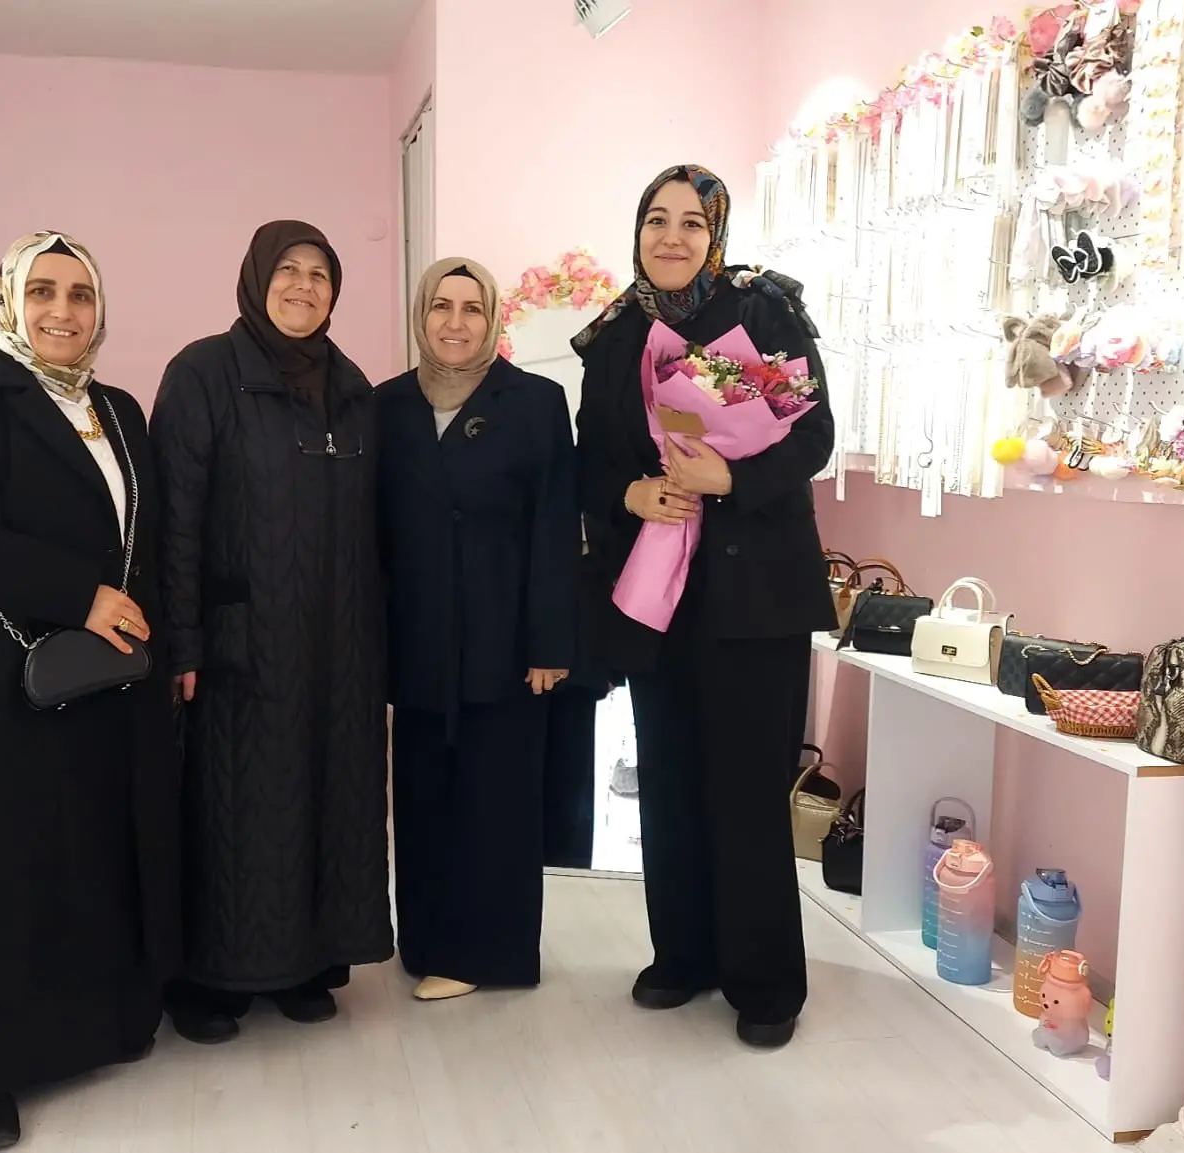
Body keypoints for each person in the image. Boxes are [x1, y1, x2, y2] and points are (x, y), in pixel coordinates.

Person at [0, 231, 178, 1151]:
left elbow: (147, 537)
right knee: (12, 866)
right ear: (11, 301)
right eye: (43, 292)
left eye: (81, 294)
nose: (63, 311)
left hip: (114, 680)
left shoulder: (118, 407)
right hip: (12, 680)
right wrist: (78, 595)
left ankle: (99, 1028)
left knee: (98, 851)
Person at [572, 165, 836, 1049]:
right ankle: (683, 954)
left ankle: (764, 981)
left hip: (756, 595)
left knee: (749, 788)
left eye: (692, 221)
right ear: (637, 232)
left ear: (715, 234)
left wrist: (734, 478)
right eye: (657, 219)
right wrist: (632, 493)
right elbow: (591, 459)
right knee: (671, 779)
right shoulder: (616, 336)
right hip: (662, 592)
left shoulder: (763, 313)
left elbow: (813, 434)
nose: (673, 236)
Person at [151, 220, 392, 1041]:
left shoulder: (352, 389)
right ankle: (208, 978)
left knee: (324, 800)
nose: (303, 286)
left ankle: (302, 963)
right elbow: (175, 521)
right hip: (239, 645)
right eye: (287, 269)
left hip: (339, 642)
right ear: (256, 279)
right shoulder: (202, 375)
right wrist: (181, 641)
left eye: (319, 274)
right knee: (235, 808)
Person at [376, 257, 577, 1000]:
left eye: (472, 308)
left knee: (497, 801)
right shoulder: (386, 405)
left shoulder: (535, 401)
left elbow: (555, 527)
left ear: (493, 319)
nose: (455, 323)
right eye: (441, 306)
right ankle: (428, 943)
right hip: (418, 638)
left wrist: (550, 641)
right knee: (424, 796)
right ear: (421, 315)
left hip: (507, 640)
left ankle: (487, 954)